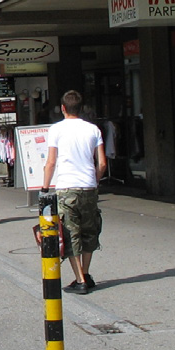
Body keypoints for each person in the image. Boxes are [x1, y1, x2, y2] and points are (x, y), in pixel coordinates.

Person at [42, 90, 107, 295]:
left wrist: (45, 188)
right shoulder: (93, 129)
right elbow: (103, 163)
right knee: (89, 232)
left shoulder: (56, 130)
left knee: (71, 233)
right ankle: (85, 274)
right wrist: (94, 180)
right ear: (81, 108)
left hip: (66, 187)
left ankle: (80, 280)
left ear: (63, 108)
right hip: (89, 187)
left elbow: (51, 162)